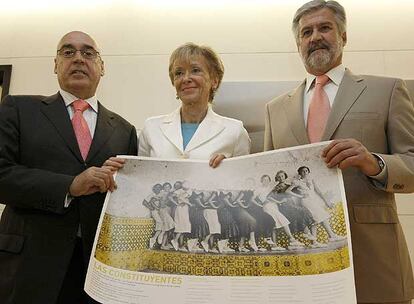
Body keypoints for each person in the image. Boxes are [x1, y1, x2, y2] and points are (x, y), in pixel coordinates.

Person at [264, 1, 414, 303]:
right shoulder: (274, 109)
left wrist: (375, 163)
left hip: (373, 259)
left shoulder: (387, 90)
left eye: (325, 28)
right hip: (303, 259)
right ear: (298, 44)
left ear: (343, 36)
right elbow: (265, 179)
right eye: (306, 32)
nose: (315, 37)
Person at [0, 31, 138, 304]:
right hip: (28, 267)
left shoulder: (125, 130)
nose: (78, 58)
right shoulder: (19, 108)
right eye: (68, 52)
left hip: (95, 272)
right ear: (55, 64)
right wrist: (69, 186)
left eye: (88, 53)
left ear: (102, 67)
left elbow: (127, 201)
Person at [105, 42, 251, 251]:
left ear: (214, 80)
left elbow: (243, 187)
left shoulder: (235, 131)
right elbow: (141, 181)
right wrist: (119, 171)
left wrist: (227, 173)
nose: (186, 78)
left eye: (196, 70)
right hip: (158, 219)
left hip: (206, 216)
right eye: (178, 73)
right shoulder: (151, 127)